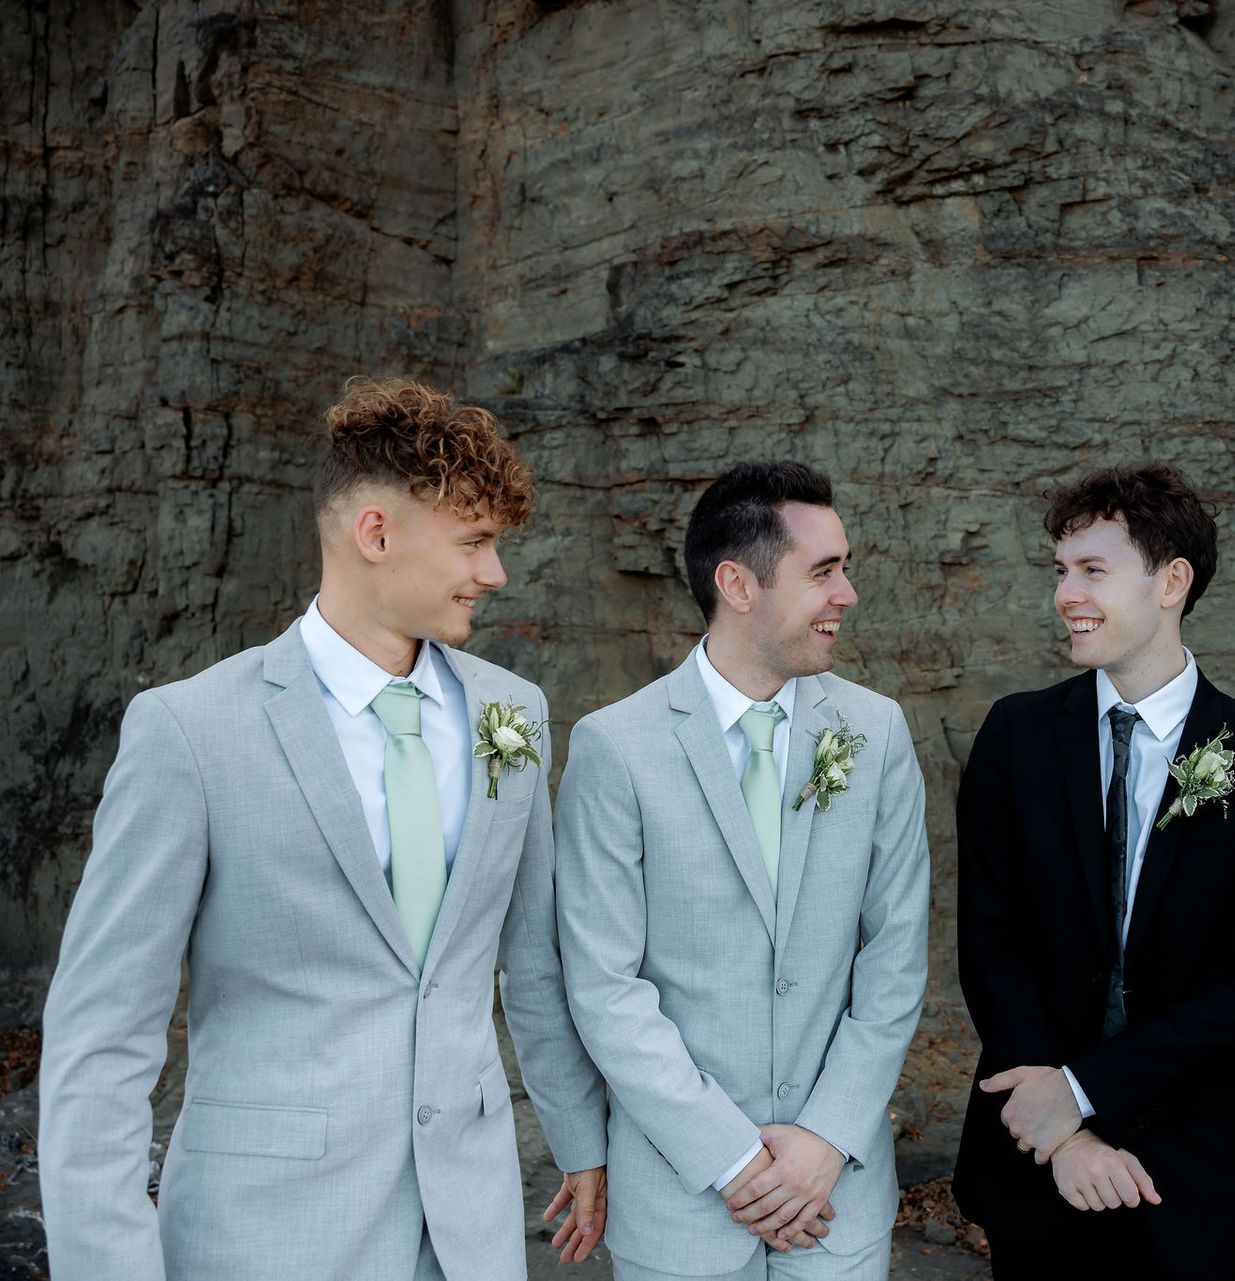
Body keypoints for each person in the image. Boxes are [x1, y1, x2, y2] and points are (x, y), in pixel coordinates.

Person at [38, 377, 609, 1280]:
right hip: (263, 1238)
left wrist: (582, 1140)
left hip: (470, 1233)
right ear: (374, 534)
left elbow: (531, 959)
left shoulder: (517, 713)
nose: (494, 574)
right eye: (475, 542)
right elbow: (101, 1040)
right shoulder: (190, 730)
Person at [555, 460, 929, 1281]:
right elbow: (604, 986)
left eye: (846, 567)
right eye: (823, 571)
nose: (849, 593)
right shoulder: (616, 747)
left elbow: (896, 954)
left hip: (835, 1199)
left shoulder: (877, 732)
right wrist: (732, 1158)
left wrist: (828, 1136)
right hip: (683, 1202)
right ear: (737, 583)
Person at [951, 462, 1235, 1280]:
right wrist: (1064, 1128)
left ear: (1172, 581)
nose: (1065, 594)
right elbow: (989, 943)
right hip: (1038, 1151)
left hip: (1196, 1164)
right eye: (1060, 571)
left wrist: (1084, 1089)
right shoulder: (1016, 736)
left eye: (1092, 570)